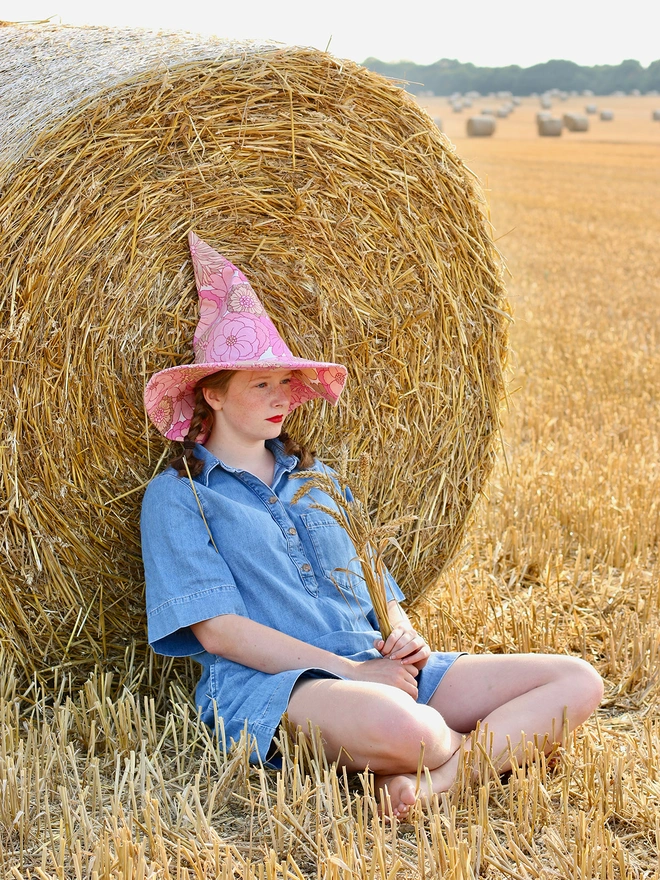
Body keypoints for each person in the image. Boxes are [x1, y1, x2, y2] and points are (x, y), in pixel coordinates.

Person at [141, 233, 603, 817]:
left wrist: (403, 635)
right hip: (285, 687)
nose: (282, 396)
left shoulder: (321, 481)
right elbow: (219, 632)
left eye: (286, 382)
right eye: (261, 383)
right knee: (412, 730)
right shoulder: (181, 497)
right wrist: (356, 672)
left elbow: (374, 583)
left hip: (384, 665)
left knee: (576, 681)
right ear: (211, 393)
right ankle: (490, 749)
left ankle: (439, 784)